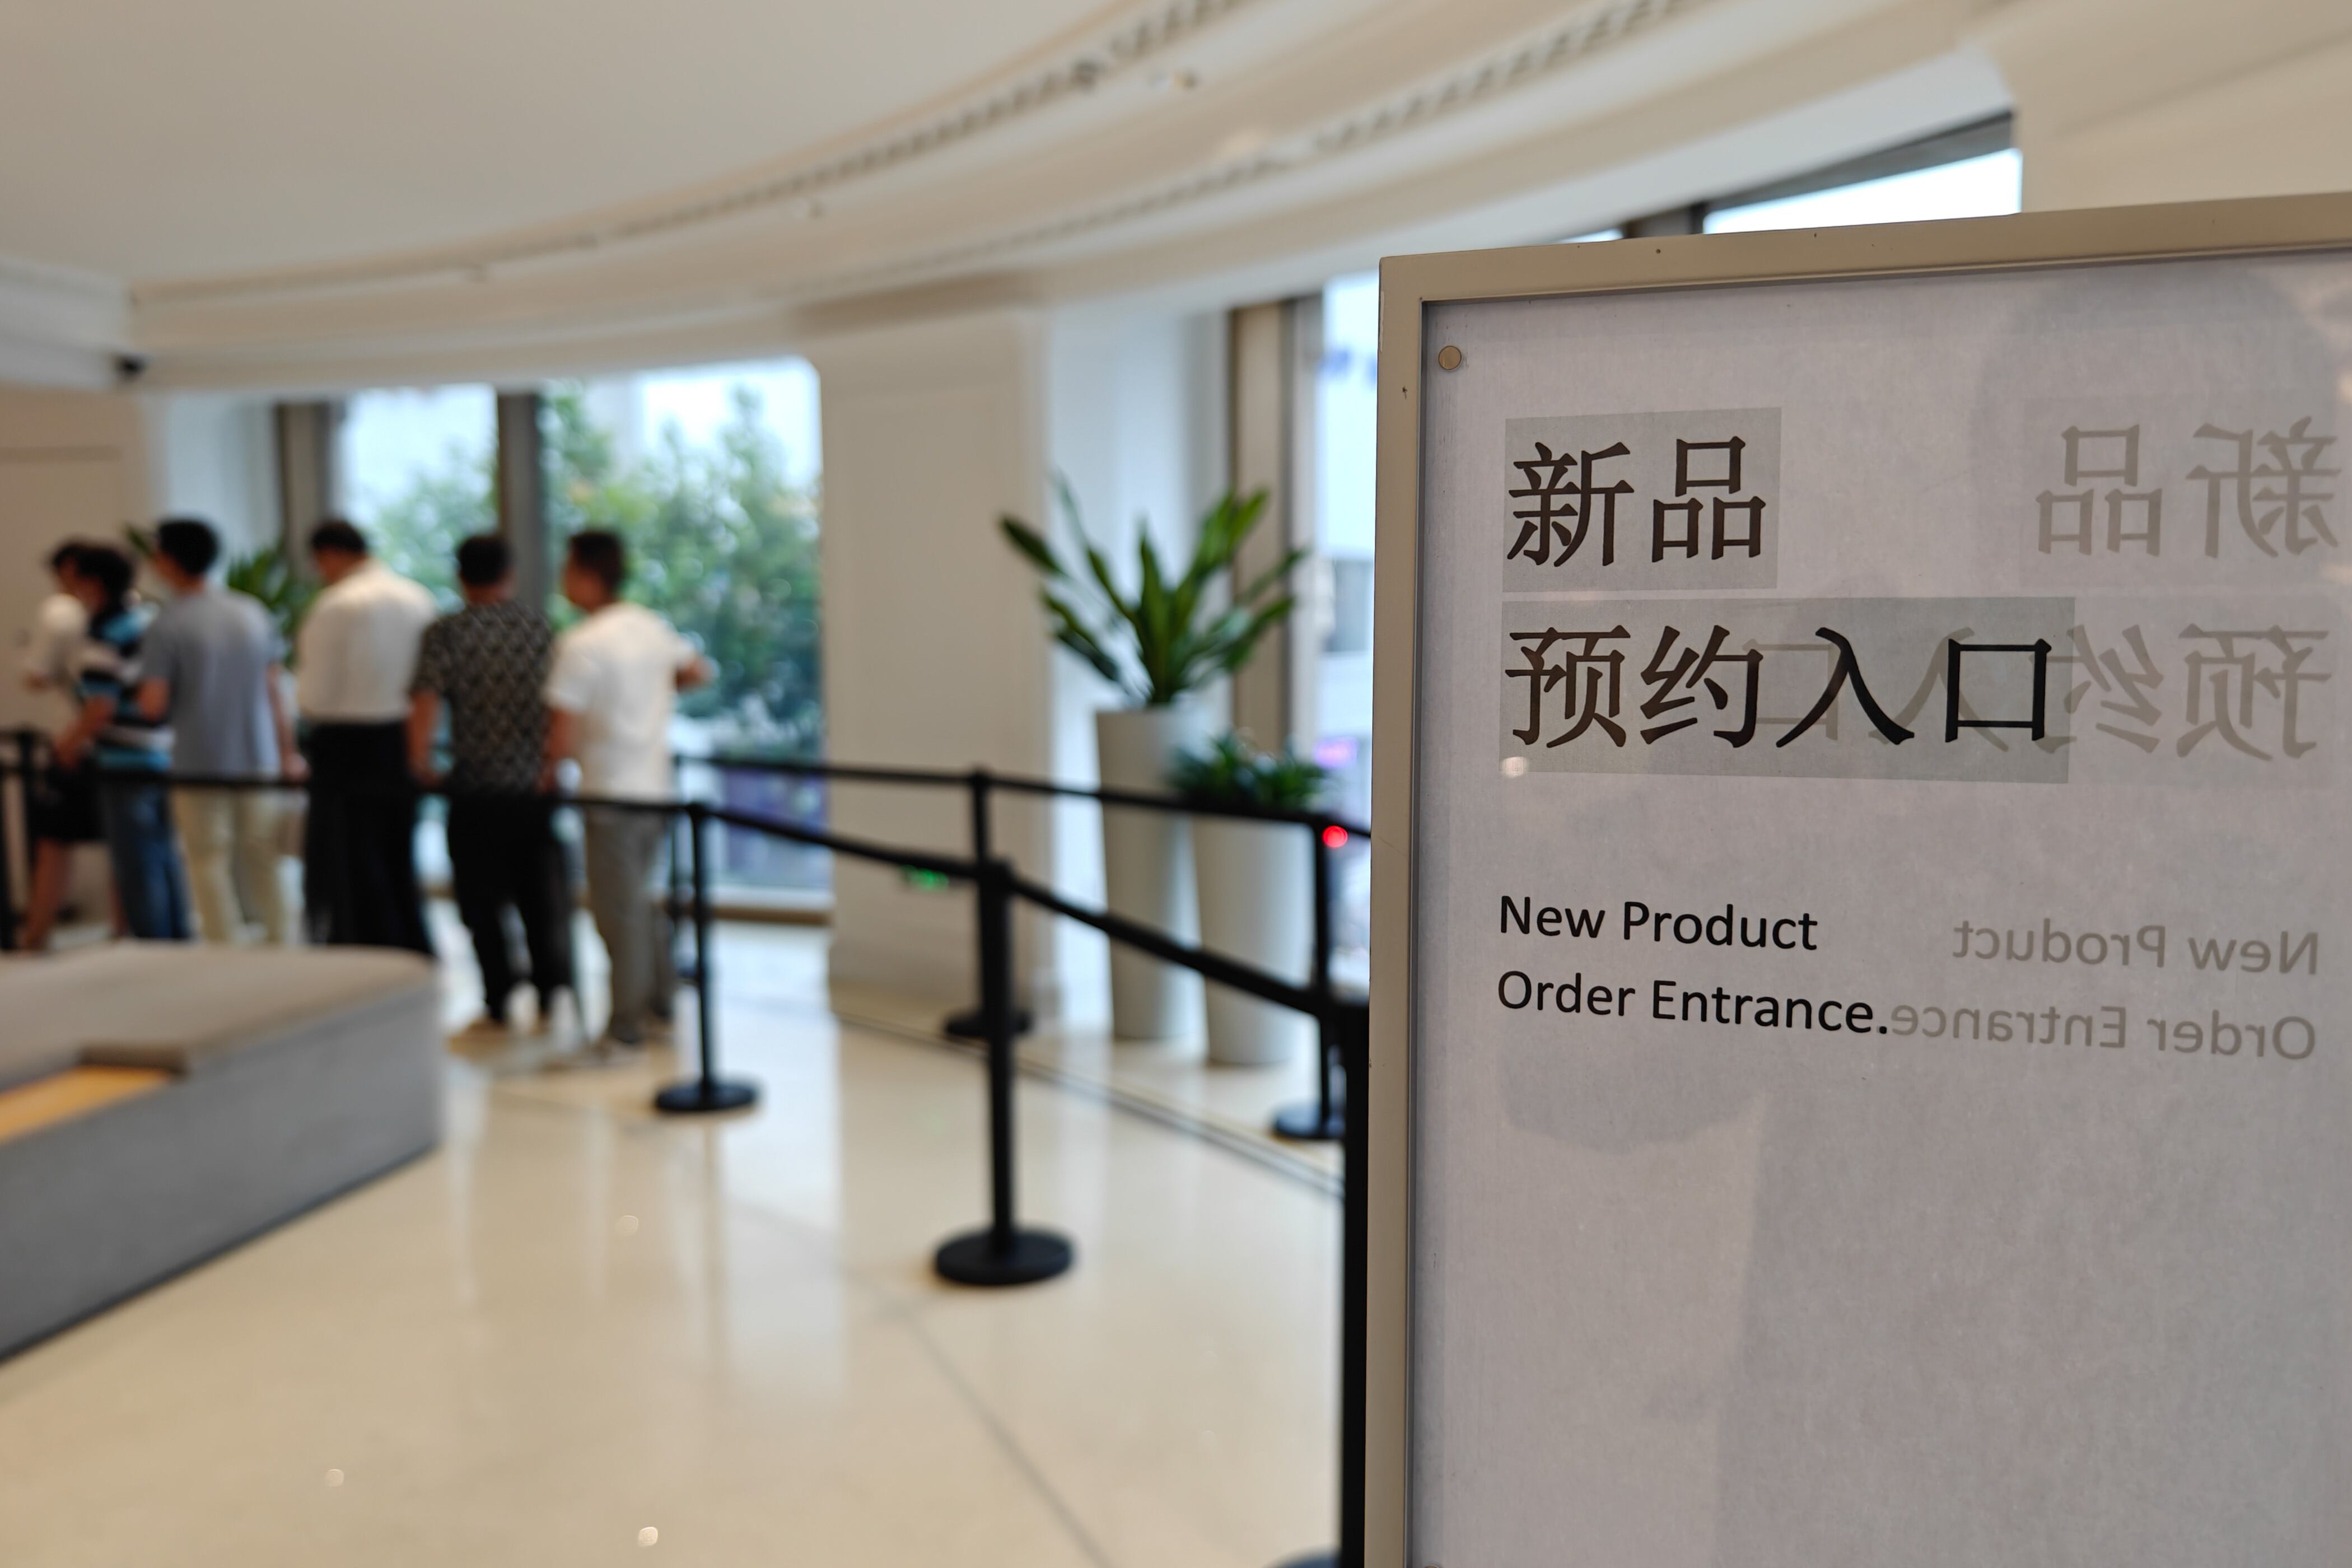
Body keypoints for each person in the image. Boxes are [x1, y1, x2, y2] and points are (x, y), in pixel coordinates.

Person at [543, 530, 708, 1057]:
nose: (562, 581)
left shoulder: (584, 643)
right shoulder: (649, 627)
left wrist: (551, 773)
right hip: (654, 785)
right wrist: (652, 697)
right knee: (642, 901)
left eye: (566, 570)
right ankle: (659, 1003)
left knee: (619, 911)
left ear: (587, 575)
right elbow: (695, 670)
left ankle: (625, 1024)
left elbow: (561, 732)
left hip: (608, 790)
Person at [409, 534, 575, 1034]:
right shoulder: (539, 629)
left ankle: (499, 995)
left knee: (480, 900)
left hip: (475, 786)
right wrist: (553, 764)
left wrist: (420, 762)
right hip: (533, 786)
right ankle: (551, 989)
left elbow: (426, 703)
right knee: (538, 894)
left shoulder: (447, 632)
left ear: (461, 576)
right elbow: (560, 705)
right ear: (510, 575)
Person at [136, 517, 301, 945]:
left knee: (208, 861)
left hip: (198, 757)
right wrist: (288, 751)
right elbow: (274, 689)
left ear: (169, 560)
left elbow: (153, 703)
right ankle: (284, 940)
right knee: (265, 855)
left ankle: (223, 948)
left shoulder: (167, 624)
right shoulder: (251, 611)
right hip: (259, 753)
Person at [295, 519, 435, 953]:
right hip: (401, 736)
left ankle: (359, 944)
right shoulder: (417, 598)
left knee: (350, 856)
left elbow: (313, 695)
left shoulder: (336, 604)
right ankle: (406, 940)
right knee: (397, 851)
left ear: (330, 555)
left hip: (345, 741)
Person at [55, 543, 186, 940]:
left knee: (136, 863)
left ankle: (152, 946)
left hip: (124, 759)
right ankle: (176, 939)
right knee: (163, 857)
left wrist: (69, 744)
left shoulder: (103, 632)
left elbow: (100, 706)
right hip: (163, 751)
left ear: (93, 583)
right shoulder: (148, 619)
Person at [20, 542, 102, 948]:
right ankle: (127, 931)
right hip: (136, 747)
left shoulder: (61, 613)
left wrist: (70, 741)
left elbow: (36, 675)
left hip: (77, 740)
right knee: (123, 844)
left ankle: (36, 933)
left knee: (54, 842)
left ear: (71, 570)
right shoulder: (137, 612)